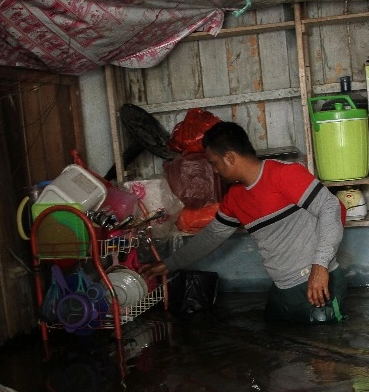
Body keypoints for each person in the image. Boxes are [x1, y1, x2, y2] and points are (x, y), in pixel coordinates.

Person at [139, 121, 347, 324]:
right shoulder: (235, 198)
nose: (214, 171)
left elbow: (331, 208)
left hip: (318, 283)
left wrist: (320, 266)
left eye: (214, 163)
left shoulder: (285, 174)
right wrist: (169, 264)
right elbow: (211, 236)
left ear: (229, 157)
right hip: (282, 288)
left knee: (327, 346)